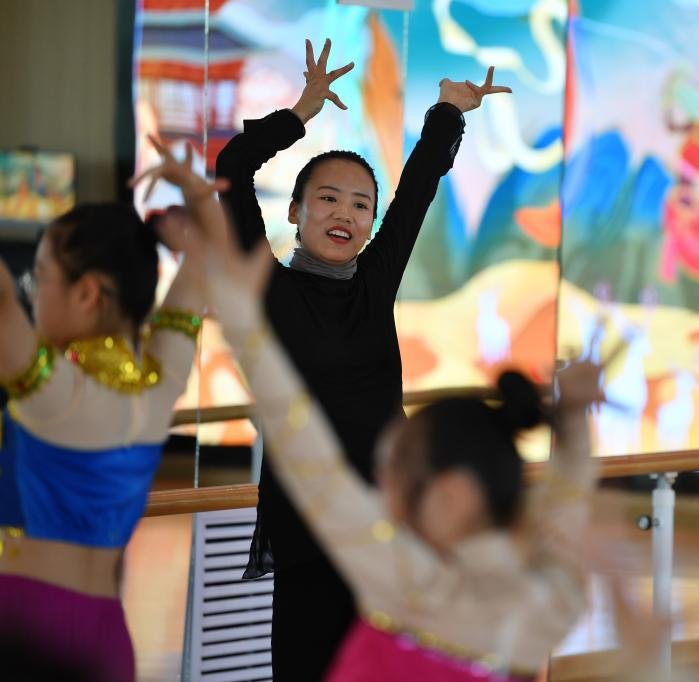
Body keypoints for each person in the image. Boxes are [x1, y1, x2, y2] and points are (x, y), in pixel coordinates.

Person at [151, 162, 607, 680]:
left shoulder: (396, 576)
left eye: (395, 466)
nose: (381, 478)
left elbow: (302, 443)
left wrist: (238, 313)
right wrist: (575, 426)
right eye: (329, 199)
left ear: (447, 494)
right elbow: (566, 511)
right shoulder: (550, 600)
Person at [215, 37, 512, 679]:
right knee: (307, 664)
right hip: (309, 520)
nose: (344, 214)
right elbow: (232, 166)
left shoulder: (375, 283)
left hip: (388, 518)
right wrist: (300, 112)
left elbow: (418, 189)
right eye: (327, 198)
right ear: (294, 211)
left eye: (360, 205)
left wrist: (448, 110)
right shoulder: (271, 288)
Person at [0, 140, 207, 682]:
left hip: (24, 625)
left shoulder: (56, 393)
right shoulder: (159, 386)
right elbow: (204, 261)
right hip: (109, 635)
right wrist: (199, 198)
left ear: (88, 293)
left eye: (40, 277)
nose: (31, 295)